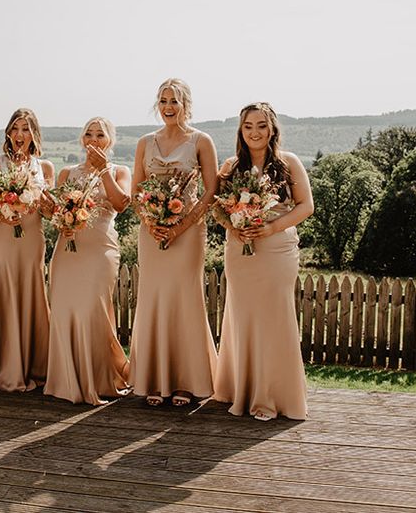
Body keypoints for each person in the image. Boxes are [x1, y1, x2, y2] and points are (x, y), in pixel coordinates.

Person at [213, 102, 314, 421]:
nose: (254, 132)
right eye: (248, 126)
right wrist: (234, 227)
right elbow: (218, 208)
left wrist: (270, 227)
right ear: (240, 131)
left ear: (272, 129)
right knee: (242, 317)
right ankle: (239, 390)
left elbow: (306, 206)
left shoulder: (288, 163)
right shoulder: (230, 166)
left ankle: (271, 396)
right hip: (240, 252)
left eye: (260, 125)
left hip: (277, 250)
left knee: (273, 317)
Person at [130, 78, 218, 407]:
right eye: (164, 100)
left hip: (189, 232)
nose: (168, 106)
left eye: (175, 101)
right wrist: (150, 222)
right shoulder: (144, 141)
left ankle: (185, 382)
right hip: (151, 232)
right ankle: (154, 378)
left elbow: (210, 191)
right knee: (153, 297)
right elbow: (136, 190)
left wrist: (181, 226)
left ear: (186, 105)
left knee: (184, 298)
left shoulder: (201, 140)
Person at [44, 117, 131, 405]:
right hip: (67, 249)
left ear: (110, 141)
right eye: (89, 134)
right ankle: (66, 379)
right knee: (66, 309)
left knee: (93, 312)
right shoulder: (67, 173)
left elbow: (121, 203)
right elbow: (56, 212)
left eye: (100, 134)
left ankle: (97, 380)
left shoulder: (119, 171)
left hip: (100, 250)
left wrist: (104, 169)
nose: (94, 139)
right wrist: (58, 218)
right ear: (82, 139)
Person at [0, 108, 54, 391]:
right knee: (4, 290)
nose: (20, 135)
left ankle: (35, 366)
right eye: (16, 128)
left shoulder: (44, 167)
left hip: (32, 237)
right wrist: (2, 214)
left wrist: (47, 202)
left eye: (26, 129)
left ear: (34, 134)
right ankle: (4, 366)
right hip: (1, 235)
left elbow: (48, 211)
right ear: (8, 132)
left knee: (31, 290)